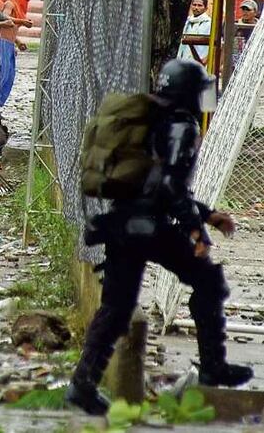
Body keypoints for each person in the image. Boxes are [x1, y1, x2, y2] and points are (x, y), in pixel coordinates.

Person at [66, 59, 250, 415]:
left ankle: (82, 385)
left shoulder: (151, 119)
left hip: (122, 224)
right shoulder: (182, 125)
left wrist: (207, 215)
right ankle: (213, 365)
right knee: (209, 282)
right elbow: (168, 186)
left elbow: (153, 184)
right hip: (151, 227)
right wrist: (197, 229)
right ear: (187, 93)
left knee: (117, 308)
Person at [0, 0, 32, 106]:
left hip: (10, 44)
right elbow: (4, 18)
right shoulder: (10, 3)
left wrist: (18, 42)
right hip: (2, 42)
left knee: (9, 76)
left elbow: (12, 29)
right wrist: (22, 21)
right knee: (2, 75)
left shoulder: (20, 8)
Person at [177, 0, 212, 66]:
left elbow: (216, 44)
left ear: (206, 8)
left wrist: (206, 59)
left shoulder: (209, 23)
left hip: (200, 61)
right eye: (194, 5)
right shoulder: (188, 21)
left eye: (200, 5)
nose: (196, 8)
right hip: (185, 60)